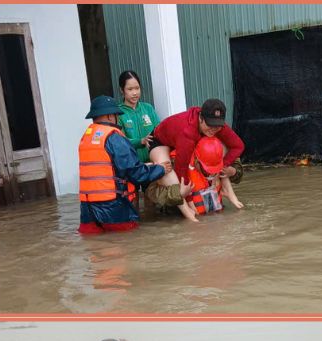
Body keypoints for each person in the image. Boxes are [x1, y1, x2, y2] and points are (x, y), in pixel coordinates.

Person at [78, 96, 170, 234]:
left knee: (95, 248)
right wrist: (160, 169)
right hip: (113, 208)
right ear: (110, 116)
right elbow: (136, 173)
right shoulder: (114, 138)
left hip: (87, 210)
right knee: (126, 243)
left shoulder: (87, 138)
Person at [148, 99, 245, 222]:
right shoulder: (187, 133)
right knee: (166, 168)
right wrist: (188, 199)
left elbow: (238, 146)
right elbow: (181, 168)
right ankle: (187, 211)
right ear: (201, 118)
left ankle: (228, 190)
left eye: (217, 125)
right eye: (210, 125)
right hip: (161, 141)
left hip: (186, 138)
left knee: (221, 148)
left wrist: (224, 166)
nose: (213, 129)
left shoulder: (217, 125)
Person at [116, 70, 160, 164]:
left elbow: (160, 130)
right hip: (134, 167)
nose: (135, 93)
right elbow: (120, 142)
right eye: (130, 89)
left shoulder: (148, 108)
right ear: (122, 90)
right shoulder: (118, 113)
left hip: (154, 162)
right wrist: (141, 141)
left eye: (137, 88)